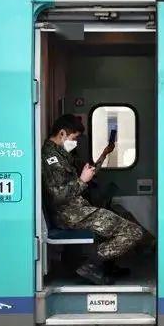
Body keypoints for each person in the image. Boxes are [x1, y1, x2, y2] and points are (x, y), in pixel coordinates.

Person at [42, 114, 143, 285]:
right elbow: (58, 196)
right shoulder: (51, 158)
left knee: (121, 220)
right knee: (133, 232)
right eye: (74, 138)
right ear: (62, 133)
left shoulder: (62, 154)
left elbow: (90, 172)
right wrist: (82, 181)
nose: (75, 142)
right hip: (70, 215)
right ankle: (91, 265)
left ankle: (106, 266)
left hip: (78, 210)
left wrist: (104, 154)